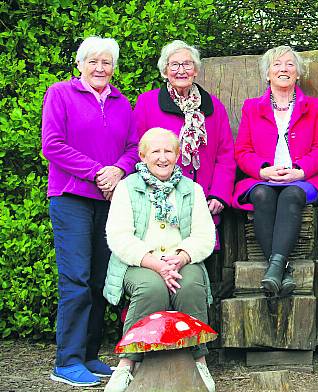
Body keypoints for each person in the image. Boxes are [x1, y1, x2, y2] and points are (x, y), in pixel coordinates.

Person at [42, 36, 139, 387]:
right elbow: (52, 144)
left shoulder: (121, 102)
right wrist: (98, 171)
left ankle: (88, 355)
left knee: (100, 279)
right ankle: (66, 361)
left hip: (109, 200)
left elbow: (132, 148)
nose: (100, 68)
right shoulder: (60, 94)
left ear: (113, 67)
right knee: (76, 279)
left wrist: (119, 170)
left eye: (107, 62)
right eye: (93, 61)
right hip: (71, 197)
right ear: (80, 64)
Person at [103, 128, 216, 392]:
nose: (162, 157)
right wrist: (155, 263)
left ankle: (198, 360)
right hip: (140, 262)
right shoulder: (126, 188)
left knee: (190, 286)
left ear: (178, 155)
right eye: (155, 151)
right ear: (142, 156)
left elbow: (205, 235)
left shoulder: (192, 190)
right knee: (151, 288)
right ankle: (127, 364)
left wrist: (181, 257)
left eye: (169, 151)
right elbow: (119, 237)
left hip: (181, 261)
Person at [233, 45, 318, 297]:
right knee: (262, 195)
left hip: (302, 178)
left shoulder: (314, 107)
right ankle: (280, 270)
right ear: (267, 74)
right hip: (263, 178)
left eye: (289, 64)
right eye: (277, 64)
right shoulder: (252, 107)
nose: (283, 69)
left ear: (298, 73)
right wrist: (263, 171)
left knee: (291, 195)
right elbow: (242, 151)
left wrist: (300, 171)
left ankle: (274, 270)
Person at [133, 40, 235, 230]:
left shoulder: (214, 107)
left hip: (202, 202)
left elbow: (226, 156)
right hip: (158, 200)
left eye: (187, 64)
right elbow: (137, 150)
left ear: (195, 70)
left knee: (198, 254)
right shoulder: (147, 103)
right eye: (174, 65)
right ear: (165, 71)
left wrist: (219, 194)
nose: (181, 70)